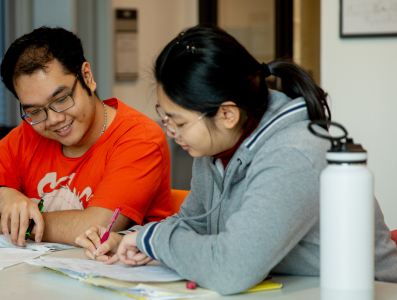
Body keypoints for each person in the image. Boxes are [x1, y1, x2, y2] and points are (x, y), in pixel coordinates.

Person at [75, 24, 397, 295]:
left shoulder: (293, 154)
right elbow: (193, 223)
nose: (171, 132)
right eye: (165, 117)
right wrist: (135, 241)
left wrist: (155, 239)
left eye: (180, 122)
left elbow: (232, 270)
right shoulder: (216, 146)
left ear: (227, 114)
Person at [0, 27, 174, 247]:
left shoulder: (139, 137)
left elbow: (97, 228)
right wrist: (0, 197)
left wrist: (8, 226)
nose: (53, 120)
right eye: (35, 111)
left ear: (87, 77)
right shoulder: (25, 137)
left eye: (62, 99)